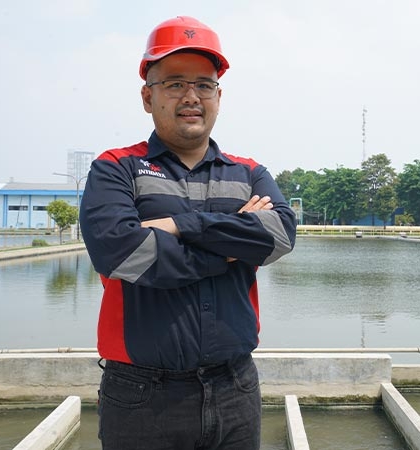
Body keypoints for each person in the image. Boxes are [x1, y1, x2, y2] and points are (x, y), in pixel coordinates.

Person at [79, 16, 297, 450]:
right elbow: (123, 254)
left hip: (235, 388)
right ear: (148, 96)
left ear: (219, 96)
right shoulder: (117, 167)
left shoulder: (249, 172)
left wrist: (180, 225)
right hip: (142, 396)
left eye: (204, 84)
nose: (191, 96)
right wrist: (232, 247)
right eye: (174, 83)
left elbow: (279, 236)